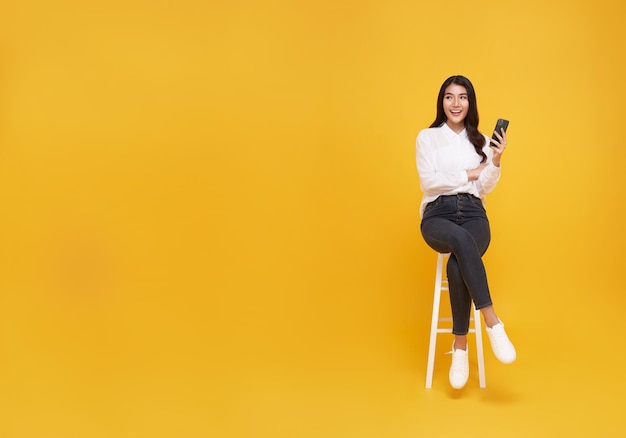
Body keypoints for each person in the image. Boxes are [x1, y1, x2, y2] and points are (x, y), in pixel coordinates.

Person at [416, 75, 516, 389]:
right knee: (459, 241)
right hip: (437, 213)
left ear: (470, 102)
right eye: (449, 97)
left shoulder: (483, 142)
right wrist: (468, 173)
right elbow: (428, 183)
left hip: (474, 213)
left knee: (458, 262)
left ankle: (460, 347)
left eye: (462, 97)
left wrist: (495, 162)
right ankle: (492, 322)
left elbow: (484, 186)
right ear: (441, 102)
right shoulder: (427, 138)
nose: (456, 103)